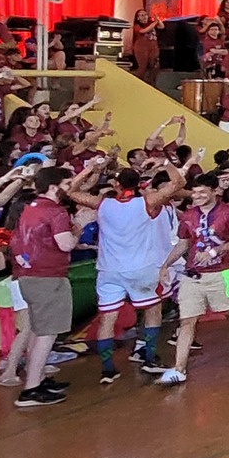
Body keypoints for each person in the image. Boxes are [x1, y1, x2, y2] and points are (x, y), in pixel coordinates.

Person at [73, 158, 189, 384]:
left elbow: (71, 190)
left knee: (108, 318)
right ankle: (148, 357)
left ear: (116, 184)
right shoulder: (146, 202)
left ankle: (108, 369)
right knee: (153, 310)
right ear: (138, 184)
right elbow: (178, 182)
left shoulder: (102, 204)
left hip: (108, 270)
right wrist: (165, 162)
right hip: (142, 268)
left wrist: (89, 168)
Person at [5, 166, 95, 407]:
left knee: (36, 329)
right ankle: (31, 388)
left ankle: (39, 378)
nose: (70, 189)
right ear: (54, 186)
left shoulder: (30, 208)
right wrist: (82, 225)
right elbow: (65, 245)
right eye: (67, 184)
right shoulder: (55, 212)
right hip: (47, 277)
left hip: (27, 275)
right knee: (47, 333)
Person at [155, 173, 229, 384]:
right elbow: (183, 243)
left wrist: (215, 252)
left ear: (215, 191)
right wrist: (166, 265)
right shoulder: (188, 215)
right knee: (187, 320)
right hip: (193, 274)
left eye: (201, 192)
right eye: (194, 192)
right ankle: (179, 368)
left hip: (220, 272)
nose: (196, 196)